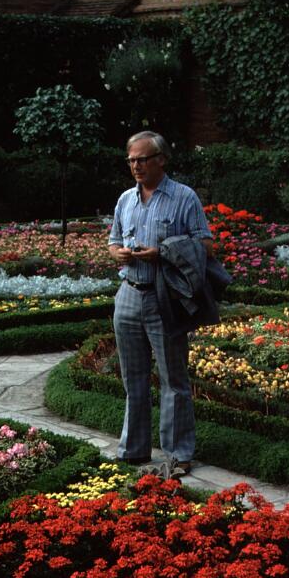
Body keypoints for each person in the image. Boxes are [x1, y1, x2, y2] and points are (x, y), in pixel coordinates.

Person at [109, 130, 213, 473]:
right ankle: (134, 449)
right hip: (128, 294)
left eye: (142, 159)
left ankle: (178, 453)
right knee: (133, 377)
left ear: (161, 160)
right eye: (131, 160)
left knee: (173, 379)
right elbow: (113, 240)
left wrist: (163, 252)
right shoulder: (126, 199)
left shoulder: (184, 197)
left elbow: (206, 246)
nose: (136, 166)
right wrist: (117, 253)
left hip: (164, 297)